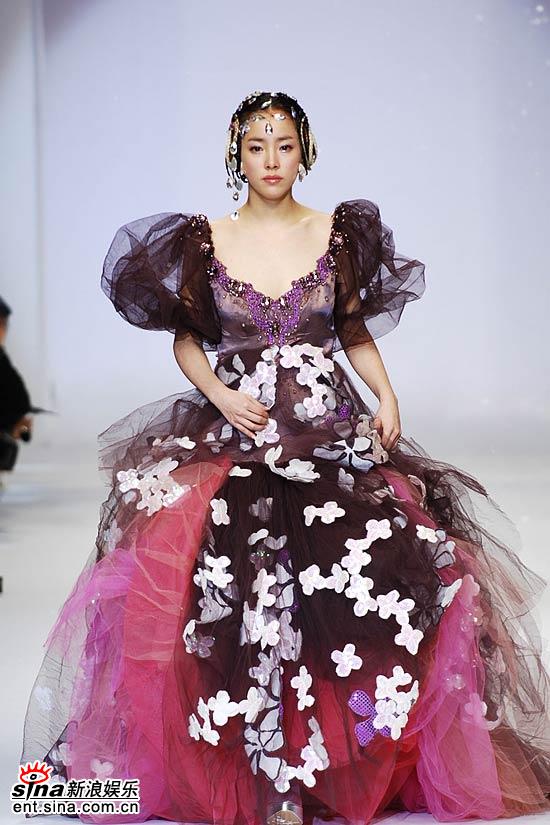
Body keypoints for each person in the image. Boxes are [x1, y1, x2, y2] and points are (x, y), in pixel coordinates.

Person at [20, 90, 550, 825]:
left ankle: (332, 763)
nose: (271, 159)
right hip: (238, 431)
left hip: (328, 429)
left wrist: (386, 395)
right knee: (230, 586)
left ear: (305, 152)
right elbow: (187, 338)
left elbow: (353, 330)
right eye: (257, 145)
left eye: (285, 144)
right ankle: (248, 766)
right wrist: (220, 393)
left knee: (377, 573)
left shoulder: (336, 235)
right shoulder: (205, 239)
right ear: (236, 155)